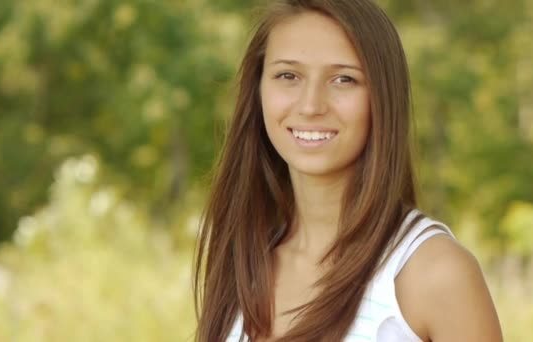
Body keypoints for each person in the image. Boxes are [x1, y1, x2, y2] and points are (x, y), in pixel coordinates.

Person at [193, 0, 503, 341]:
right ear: (258, 91)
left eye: (343, 79)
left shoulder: (434, 274)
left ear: (382, 97)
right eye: (288, 76)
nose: (311, 106)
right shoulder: (243, 262)